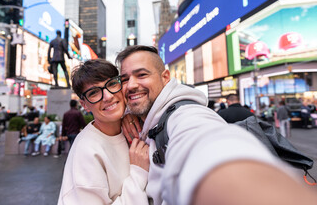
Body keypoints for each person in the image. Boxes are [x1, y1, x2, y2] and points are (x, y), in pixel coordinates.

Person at [116, 45, 317, 205]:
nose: (131, 85)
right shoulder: (146, 120)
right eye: (125, 79)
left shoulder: (186, 115)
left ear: (165, 77)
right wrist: (124, 114)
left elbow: (207, 144)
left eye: (142, 75)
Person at [58, 59, 150, 204]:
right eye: (94, 93)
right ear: (84, 105)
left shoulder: (138, 122)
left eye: (112, 84)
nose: (108, 96)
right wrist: (138, 174)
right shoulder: (86, 152)